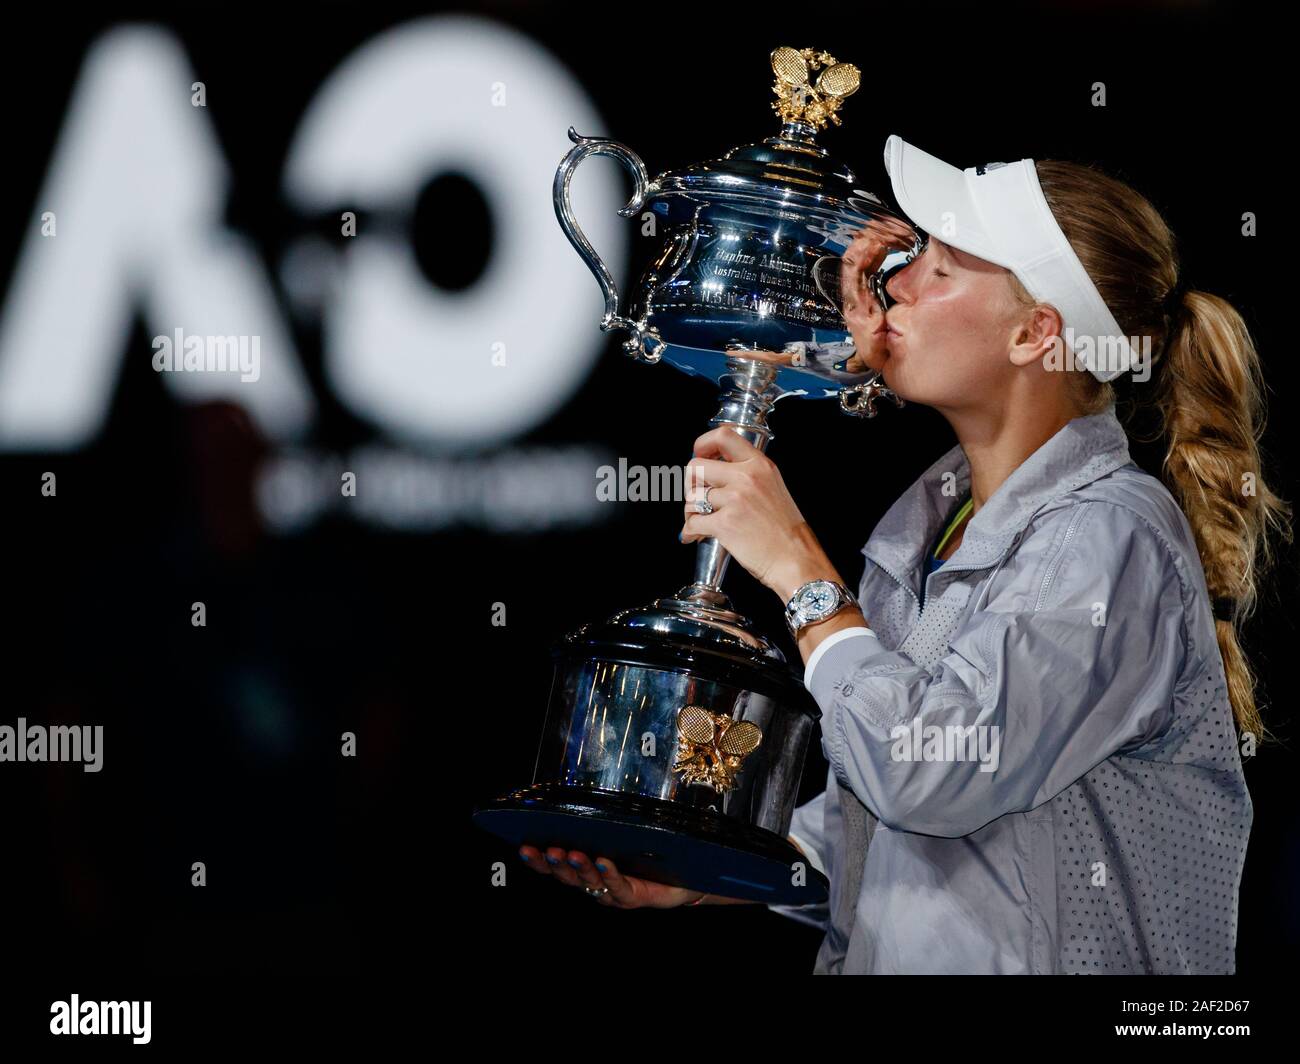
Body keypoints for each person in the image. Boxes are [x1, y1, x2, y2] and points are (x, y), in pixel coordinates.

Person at [518, 135, 1291, 974]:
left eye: (943, 270)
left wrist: (801, 572)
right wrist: (712, 869)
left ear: (1036, 333)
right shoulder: (928, 526)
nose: (896, 283)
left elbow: (928, 771)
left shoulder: (1112, 534)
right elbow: (904, 847)